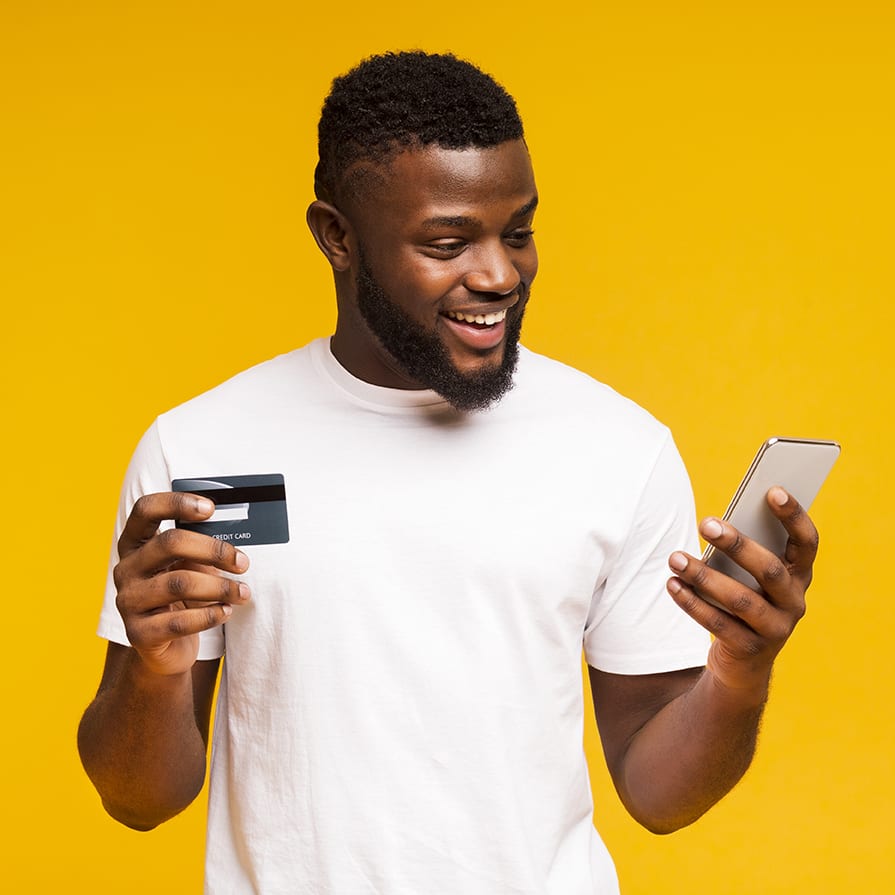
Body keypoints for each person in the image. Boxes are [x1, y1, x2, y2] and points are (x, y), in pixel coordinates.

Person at [78, 51, 818, 894]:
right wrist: (154, 669)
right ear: (336, 236)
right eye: (446, 242)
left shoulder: (616, 445)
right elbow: (139, 798)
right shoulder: (201, 448)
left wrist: (738, 670)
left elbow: (658, 794)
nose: (498, 274)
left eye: (518, 231)